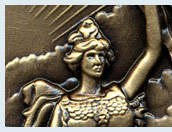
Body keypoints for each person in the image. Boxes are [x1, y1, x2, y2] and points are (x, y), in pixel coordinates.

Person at [20, 6, 163, 127]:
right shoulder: (64, 108)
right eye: (91, 56)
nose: (98, 60)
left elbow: (153, 52)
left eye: (101, 55)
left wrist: (151, 7)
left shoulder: (119, 94)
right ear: (78, 61)